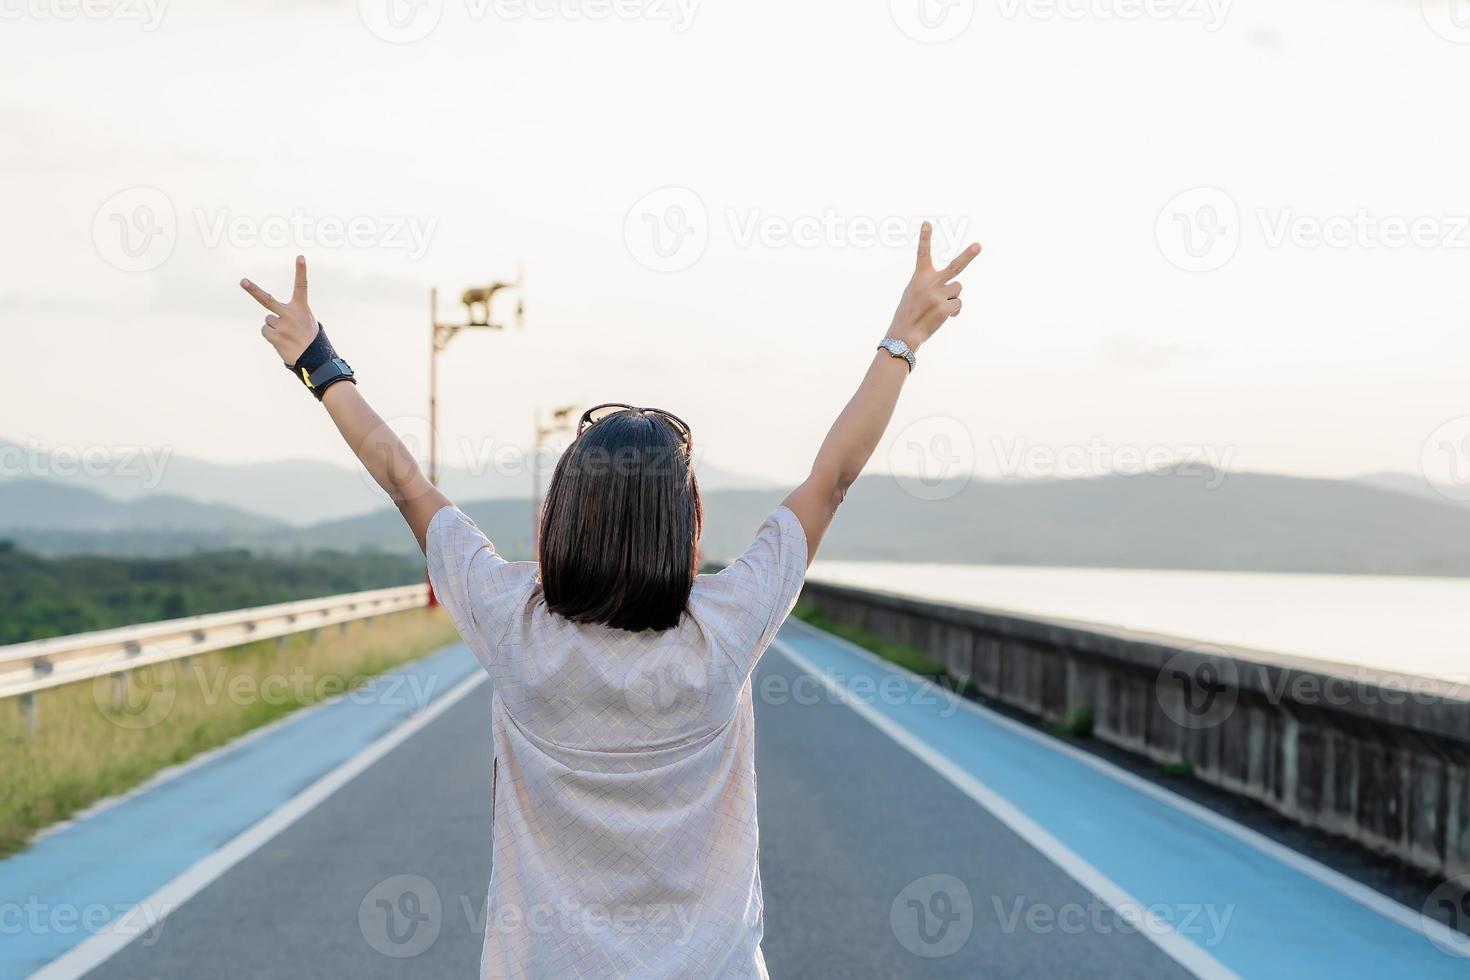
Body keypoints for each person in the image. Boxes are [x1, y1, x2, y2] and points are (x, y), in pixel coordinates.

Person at [240, 223, 980, 978]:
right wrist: (902, 339)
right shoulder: (724, 628)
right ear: (685, 527)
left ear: (561, 517)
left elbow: (404, 481)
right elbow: (832, 480)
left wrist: (317, 361)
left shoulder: (513, 622)